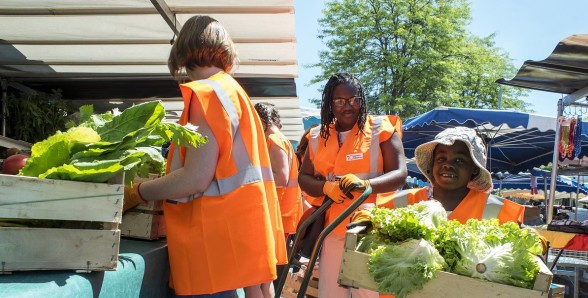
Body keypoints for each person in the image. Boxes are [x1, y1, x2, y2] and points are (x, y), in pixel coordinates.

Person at [124, 15, 286, 297]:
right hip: (244, 231)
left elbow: (196, 178)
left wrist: (138, 192)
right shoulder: (234, 92)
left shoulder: (206, 93)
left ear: (182, 50)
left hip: (213, 239)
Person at [298, 72, 408, 297]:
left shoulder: (380, 128)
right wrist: (325, 188)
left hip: (371, 228)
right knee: (332, 292)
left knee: (368, 292)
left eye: (353, 99)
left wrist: (365, 185)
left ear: (362, 99)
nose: (347, 106)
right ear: (330, 103)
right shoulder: (318, 136)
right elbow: (304, 178)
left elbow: (399, 173)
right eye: (339, 101)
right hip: (333, 227)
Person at [357, 126, 525, 226]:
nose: (447, 164)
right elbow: (370, 209)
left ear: (474, 169)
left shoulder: (494, 208)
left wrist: (530, 237)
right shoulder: (408, 200)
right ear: (432, 164)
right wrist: (364, 215)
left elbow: (519, 230)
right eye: (441, 158)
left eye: (459, 160)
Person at [250, 102, 302, 297]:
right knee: (264, 277)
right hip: (281, 214)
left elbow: (281, 177)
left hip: (276, 215)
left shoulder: (273, 140)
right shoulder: (281, 139)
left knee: (257, 277)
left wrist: (250, 175)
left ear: (261, 121)